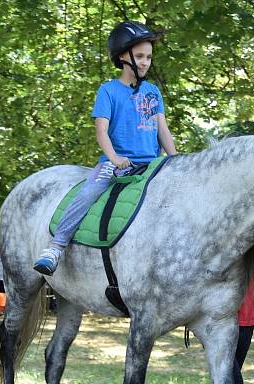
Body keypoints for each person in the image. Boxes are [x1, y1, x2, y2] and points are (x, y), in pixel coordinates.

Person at [33, 21, 177, 275]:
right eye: (140, 56)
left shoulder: (153, 93)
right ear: (123, 56)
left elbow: (162, 130)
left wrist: (176, 160)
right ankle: (55, 247)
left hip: (152, 164)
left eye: (149, 57)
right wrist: (114, 158)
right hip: (116, 162)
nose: (145, 62)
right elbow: (101, 130)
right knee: (89, 192)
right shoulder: (108, 91)